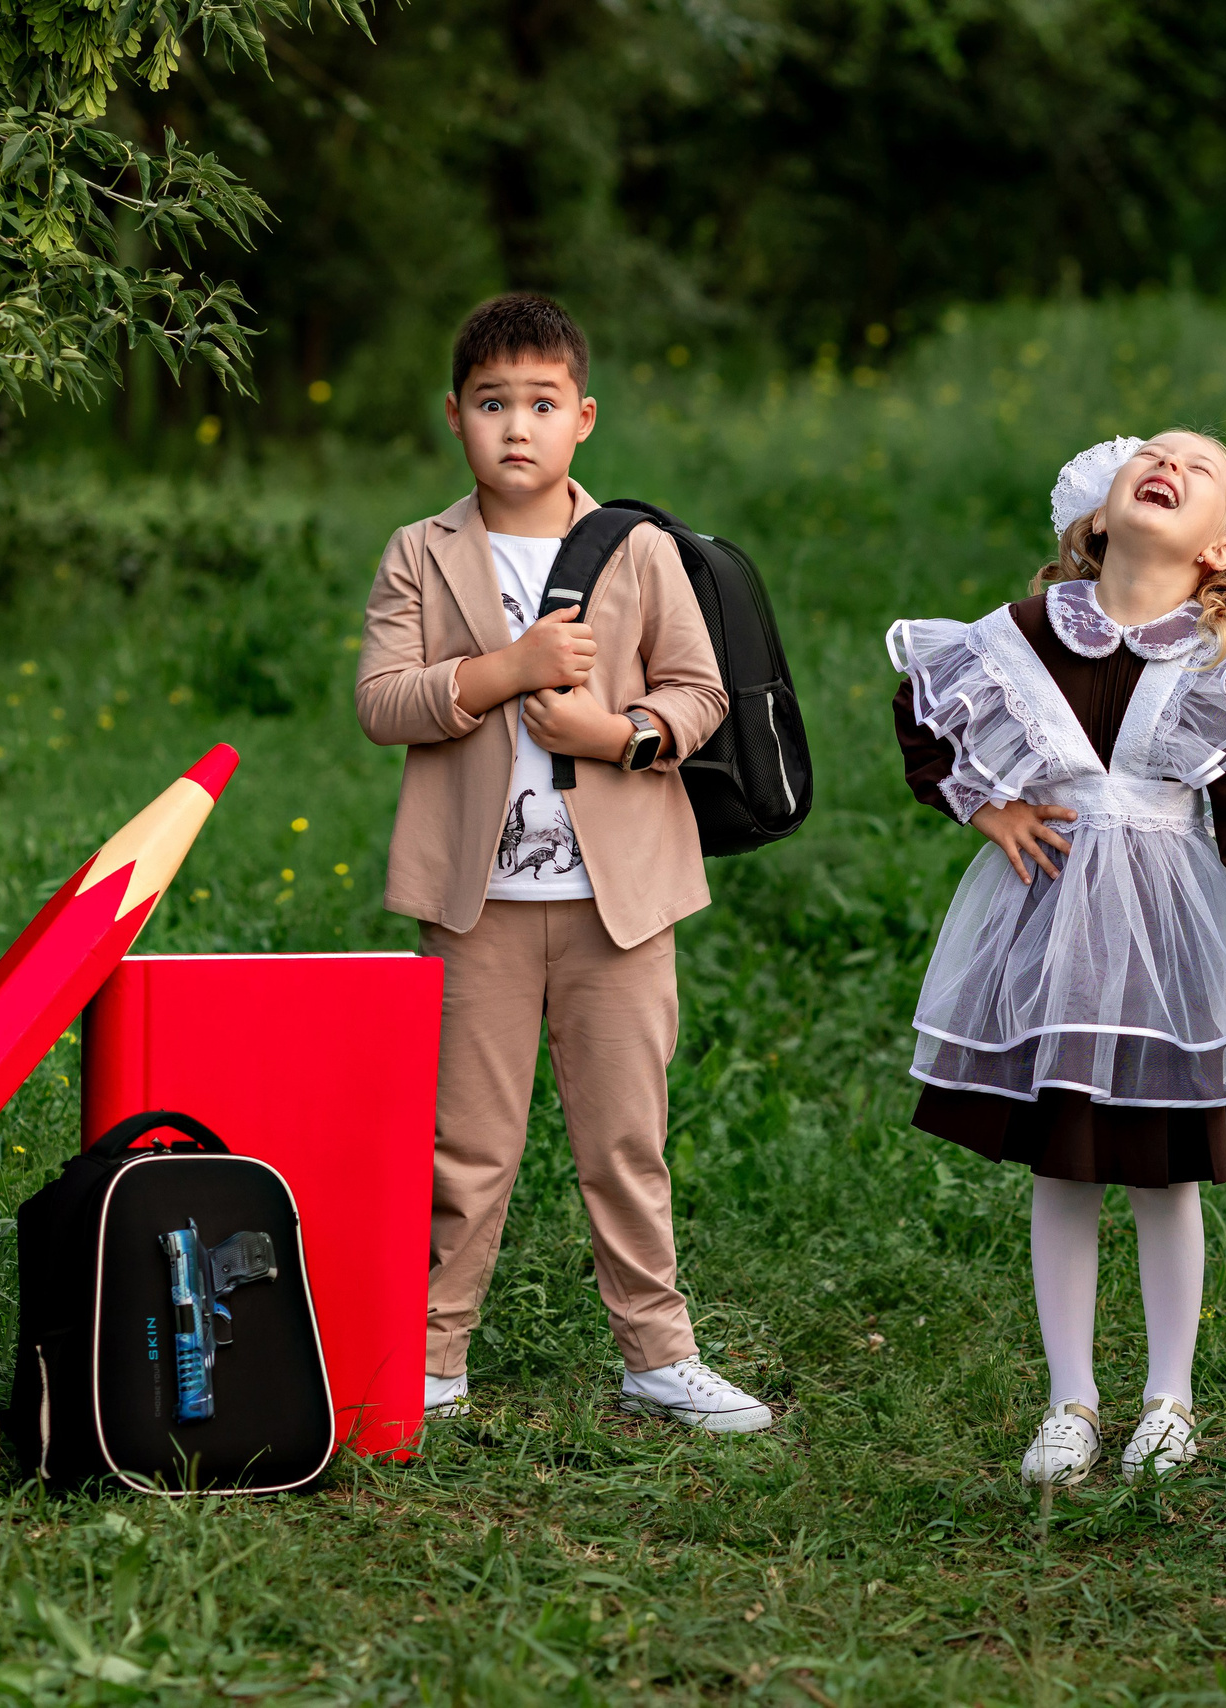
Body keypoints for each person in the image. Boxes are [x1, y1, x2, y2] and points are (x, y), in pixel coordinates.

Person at [890, 431, 1226, 1484]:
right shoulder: (1023, 631)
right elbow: (925, 706)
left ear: (1221, 552)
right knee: (1064, 1161)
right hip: (1047, 927)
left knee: (1164, 1170)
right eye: (1150, 452)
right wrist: (987, 802)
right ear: (1098, 519)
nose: (1166, 462)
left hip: (1166, 943)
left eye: (1197, 467)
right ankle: (1069, 1399)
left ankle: (1169, 1399)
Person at [357, 292, 774, 1432]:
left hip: (619, 902)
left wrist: (616, 734)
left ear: (582, 417)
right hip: (476, 900)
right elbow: (384, 703)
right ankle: (433, 1354)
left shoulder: (638, 548)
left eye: (542, 403)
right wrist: (510, 666)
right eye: (492, 404)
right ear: (455, 417)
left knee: (625, 1137)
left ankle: (657, 1352)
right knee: (465, 1144)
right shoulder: (422, 552)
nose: (517, 427)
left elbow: (700, 694)